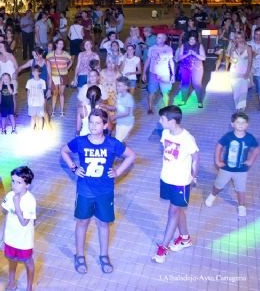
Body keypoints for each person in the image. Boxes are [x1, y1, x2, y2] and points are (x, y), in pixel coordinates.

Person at [60, 108, 136, 274]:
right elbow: (63, 151)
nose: (93, 126)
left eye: (97, 123)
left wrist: (118, 171)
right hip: (85, 190)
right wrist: (73, 167)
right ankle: (79, 255)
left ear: (105, 125)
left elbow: (131, 155)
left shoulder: (112, 143)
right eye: (91, 122)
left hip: (105, 190)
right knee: (82, 222)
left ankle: (103, 255)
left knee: (103, 223)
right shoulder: (80, 141)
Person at [152, 106, 199, 264]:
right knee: (177, 209)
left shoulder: (187, 138)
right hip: (166, 178)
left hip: (181, 182)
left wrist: (194, 175)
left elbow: (196, 157)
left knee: (173, 211)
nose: (159, 121)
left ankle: (163, 248)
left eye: (162, 119)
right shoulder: (165, 133)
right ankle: (185, 238)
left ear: (172, 121)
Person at [205, 112, 259, 217]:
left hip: (242, 169)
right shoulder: (228, 137)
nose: (240, 124)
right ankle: (213, 194)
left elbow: (257, 148)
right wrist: (217, 160)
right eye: (238, 122)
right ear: (232, 124)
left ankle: (241, 206)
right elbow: (219, 146)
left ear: (247, 125)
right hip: (226, 168)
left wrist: (251, 160)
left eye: (243, 122)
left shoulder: (250, 138)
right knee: (219, 184)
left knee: (241, 189)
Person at [2, 166, 37, 291]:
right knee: (12, 260)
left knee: (28, 262)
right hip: (11, 238)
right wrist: (4, 237)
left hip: (24, 240)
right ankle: (11, 282)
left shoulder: (30, 200)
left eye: (19, 182)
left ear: (27, 185)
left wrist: (16, 204)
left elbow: (23, 222)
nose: (14, 185)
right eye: (12, 181)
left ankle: (29, 287)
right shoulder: (9, 195)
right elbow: (5, 214)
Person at [142, 33, 175, 114]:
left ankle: (166, 109)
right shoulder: (152, 48)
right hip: (153, 73)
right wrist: (144, 73)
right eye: (157, 37)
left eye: (159, 38)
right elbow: (148, 60)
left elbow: (171, 62)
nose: (157, 39)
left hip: (164, 74)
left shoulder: (169, 49)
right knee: (151, 92)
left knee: (165, 92)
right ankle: (150, 108)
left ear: (164, 39)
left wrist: (173, 74)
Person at [175, 31, 206, 107]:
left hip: (197, 66)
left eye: (194, 39)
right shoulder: (184, 45)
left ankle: (200, 101)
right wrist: (187, 54)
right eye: (190, 39)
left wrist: (195, 54)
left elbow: (204, 58)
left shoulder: (200, 46)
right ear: (188, 39)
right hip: (185, 66)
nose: (192, 41)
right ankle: (183, 100)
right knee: (185, 83)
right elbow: (179, 58)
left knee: (197, 84)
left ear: (196, 40)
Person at [46, 39, 72, 117]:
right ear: (56, 44)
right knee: (54, 94)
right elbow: (48, 66)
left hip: (63, 76)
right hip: (54, 76)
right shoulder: (50, 55)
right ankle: (53, 111)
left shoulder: (66, 54)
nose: (61, 45)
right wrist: (50, 76)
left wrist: (67, 68)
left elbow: (71, 61)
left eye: (62, 44)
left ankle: (61, 111)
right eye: (59, 44)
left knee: (61, 93)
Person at [228, 32, 252, 112]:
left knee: (243, 91)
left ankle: (242, 109)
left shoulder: (248, 48)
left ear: (243, 38)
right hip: (235, 72)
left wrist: (247, 73)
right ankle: (237, 107)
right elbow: (231, 60)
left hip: (245, 71)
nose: (238, 39)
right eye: (237, 38)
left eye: (240, 37)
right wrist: (232, 50)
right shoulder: (233, 47)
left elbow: (250, 61)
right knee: (235, 90)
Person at [26, 65, 47, 130]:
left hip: (40, 103)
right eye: (33, 71)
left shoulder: (42, 82)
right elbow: (28, 91)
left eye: (36, 71)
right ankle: (32, 129)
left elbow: (42, 91)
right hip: (32, 103)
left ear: (39, 73)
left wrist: (43, 101)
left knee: (40, 117)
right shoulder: (29, 81)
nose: (34, 73)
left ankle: (40, 129)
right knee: (33, 117)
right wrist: (28, 100)